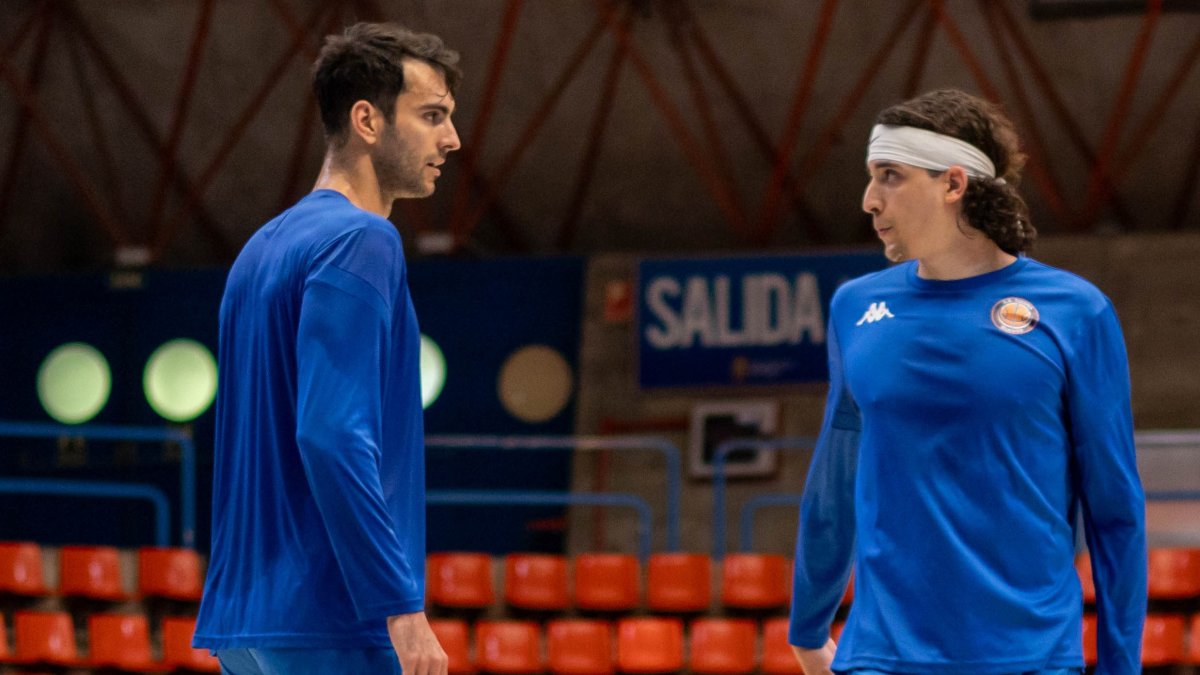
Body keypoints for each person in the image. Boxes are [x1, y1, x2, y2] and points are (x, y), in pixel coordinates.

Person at [788, 89, 1146, 675]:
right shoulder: (856, 307)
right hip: (881, 655)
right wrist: (807, 625)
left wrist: (1120, 664)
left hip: (1031, 658)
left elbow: (1115, 511)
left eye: (889, 176)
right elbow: (835, 472)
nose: (868, 200)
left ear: (954, 184)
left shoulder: (1076, 312)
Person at [193, 22, 462, 675]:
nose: (452, 139)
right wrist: (402, 607)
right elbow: (331, 433)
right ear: (367, 120)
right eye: (432, 116)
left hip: (244, 624)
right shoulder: (364, 239)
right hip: (334, 618)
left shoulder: (258, 251)